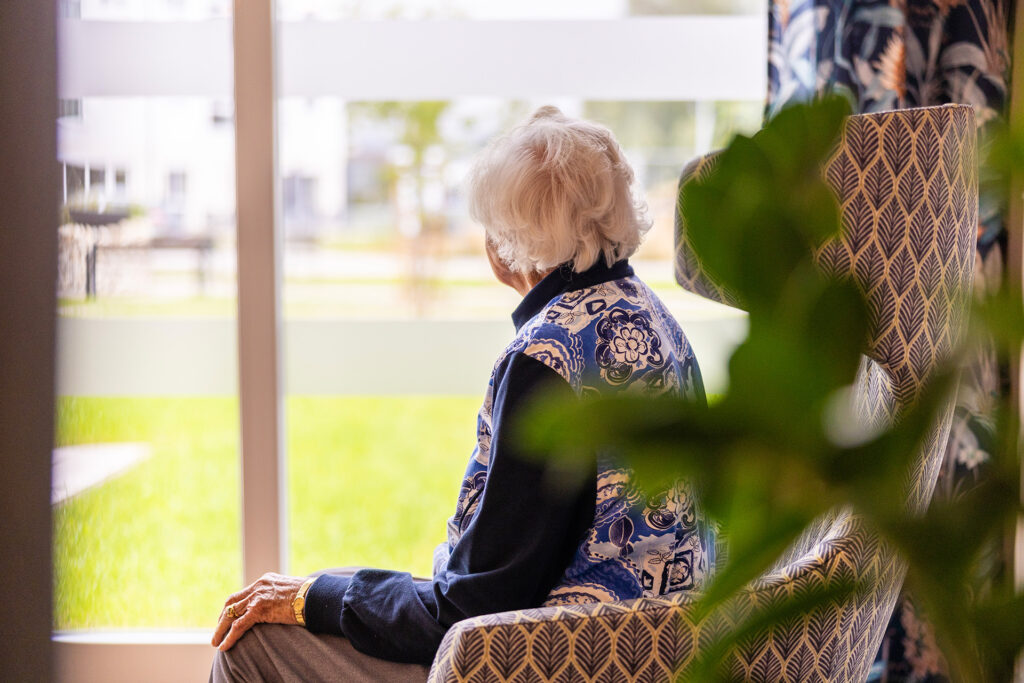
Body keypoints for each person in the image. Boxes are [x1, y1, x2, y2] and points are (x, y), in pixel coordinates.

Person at [209, 106, 714, 682]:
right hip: (654, 654)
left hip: (546, 664)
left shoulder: (548, 358)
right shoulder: (653, 320)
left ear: (507, 244)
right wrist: (328, 590)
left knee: (252, 644)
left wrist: (311, 598)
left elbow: (473, 607)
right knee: (330, 588)